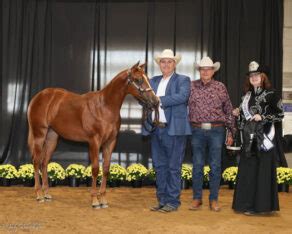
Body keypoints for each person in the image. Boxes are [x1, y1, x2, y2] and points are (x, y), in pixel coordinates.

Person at [142, 49, 191, 213]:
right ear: (159, 64)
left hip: (174, 130)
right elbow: (145, 98)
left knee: (173, 167)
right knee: (160, 166)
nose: (166, 64)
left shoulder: (183, 80)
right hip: (157, 129)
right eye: (163, 61)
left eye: (169, 61)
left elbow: (182, 97)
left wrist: (157, 99)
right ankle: (162, 200)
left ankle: (173, 201)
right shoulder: (153, 81)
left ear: (174, 64)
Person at [232, 61, 284, 215]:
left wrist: (263, 116)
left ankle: (261, 207)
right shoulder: (245, 97)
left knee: (262, 170)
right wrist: (238, 113)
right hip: (250, 140)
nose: (254, 78)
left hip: (265, 138)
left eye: (257, 75)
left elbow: (280, 115)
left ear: (263, 77)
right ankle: (246, 204)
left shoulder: (272, 94)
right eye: (251, 76)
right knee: (249, 171)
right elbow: (243, 122)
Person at [188, 56, 235, 212]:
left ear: (213, 71)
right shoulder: (191, 86)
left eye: (208, 69)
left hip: (217, 130)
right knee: (197, 165)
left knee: (215, 165)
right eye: (203, 69)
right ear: (199, 71)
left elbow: (229, 110)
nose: (206, 71)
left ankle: (213, 199)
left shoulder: (221, 87)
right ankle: (197, 198)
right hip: (196, 130)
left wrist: (230, 132)